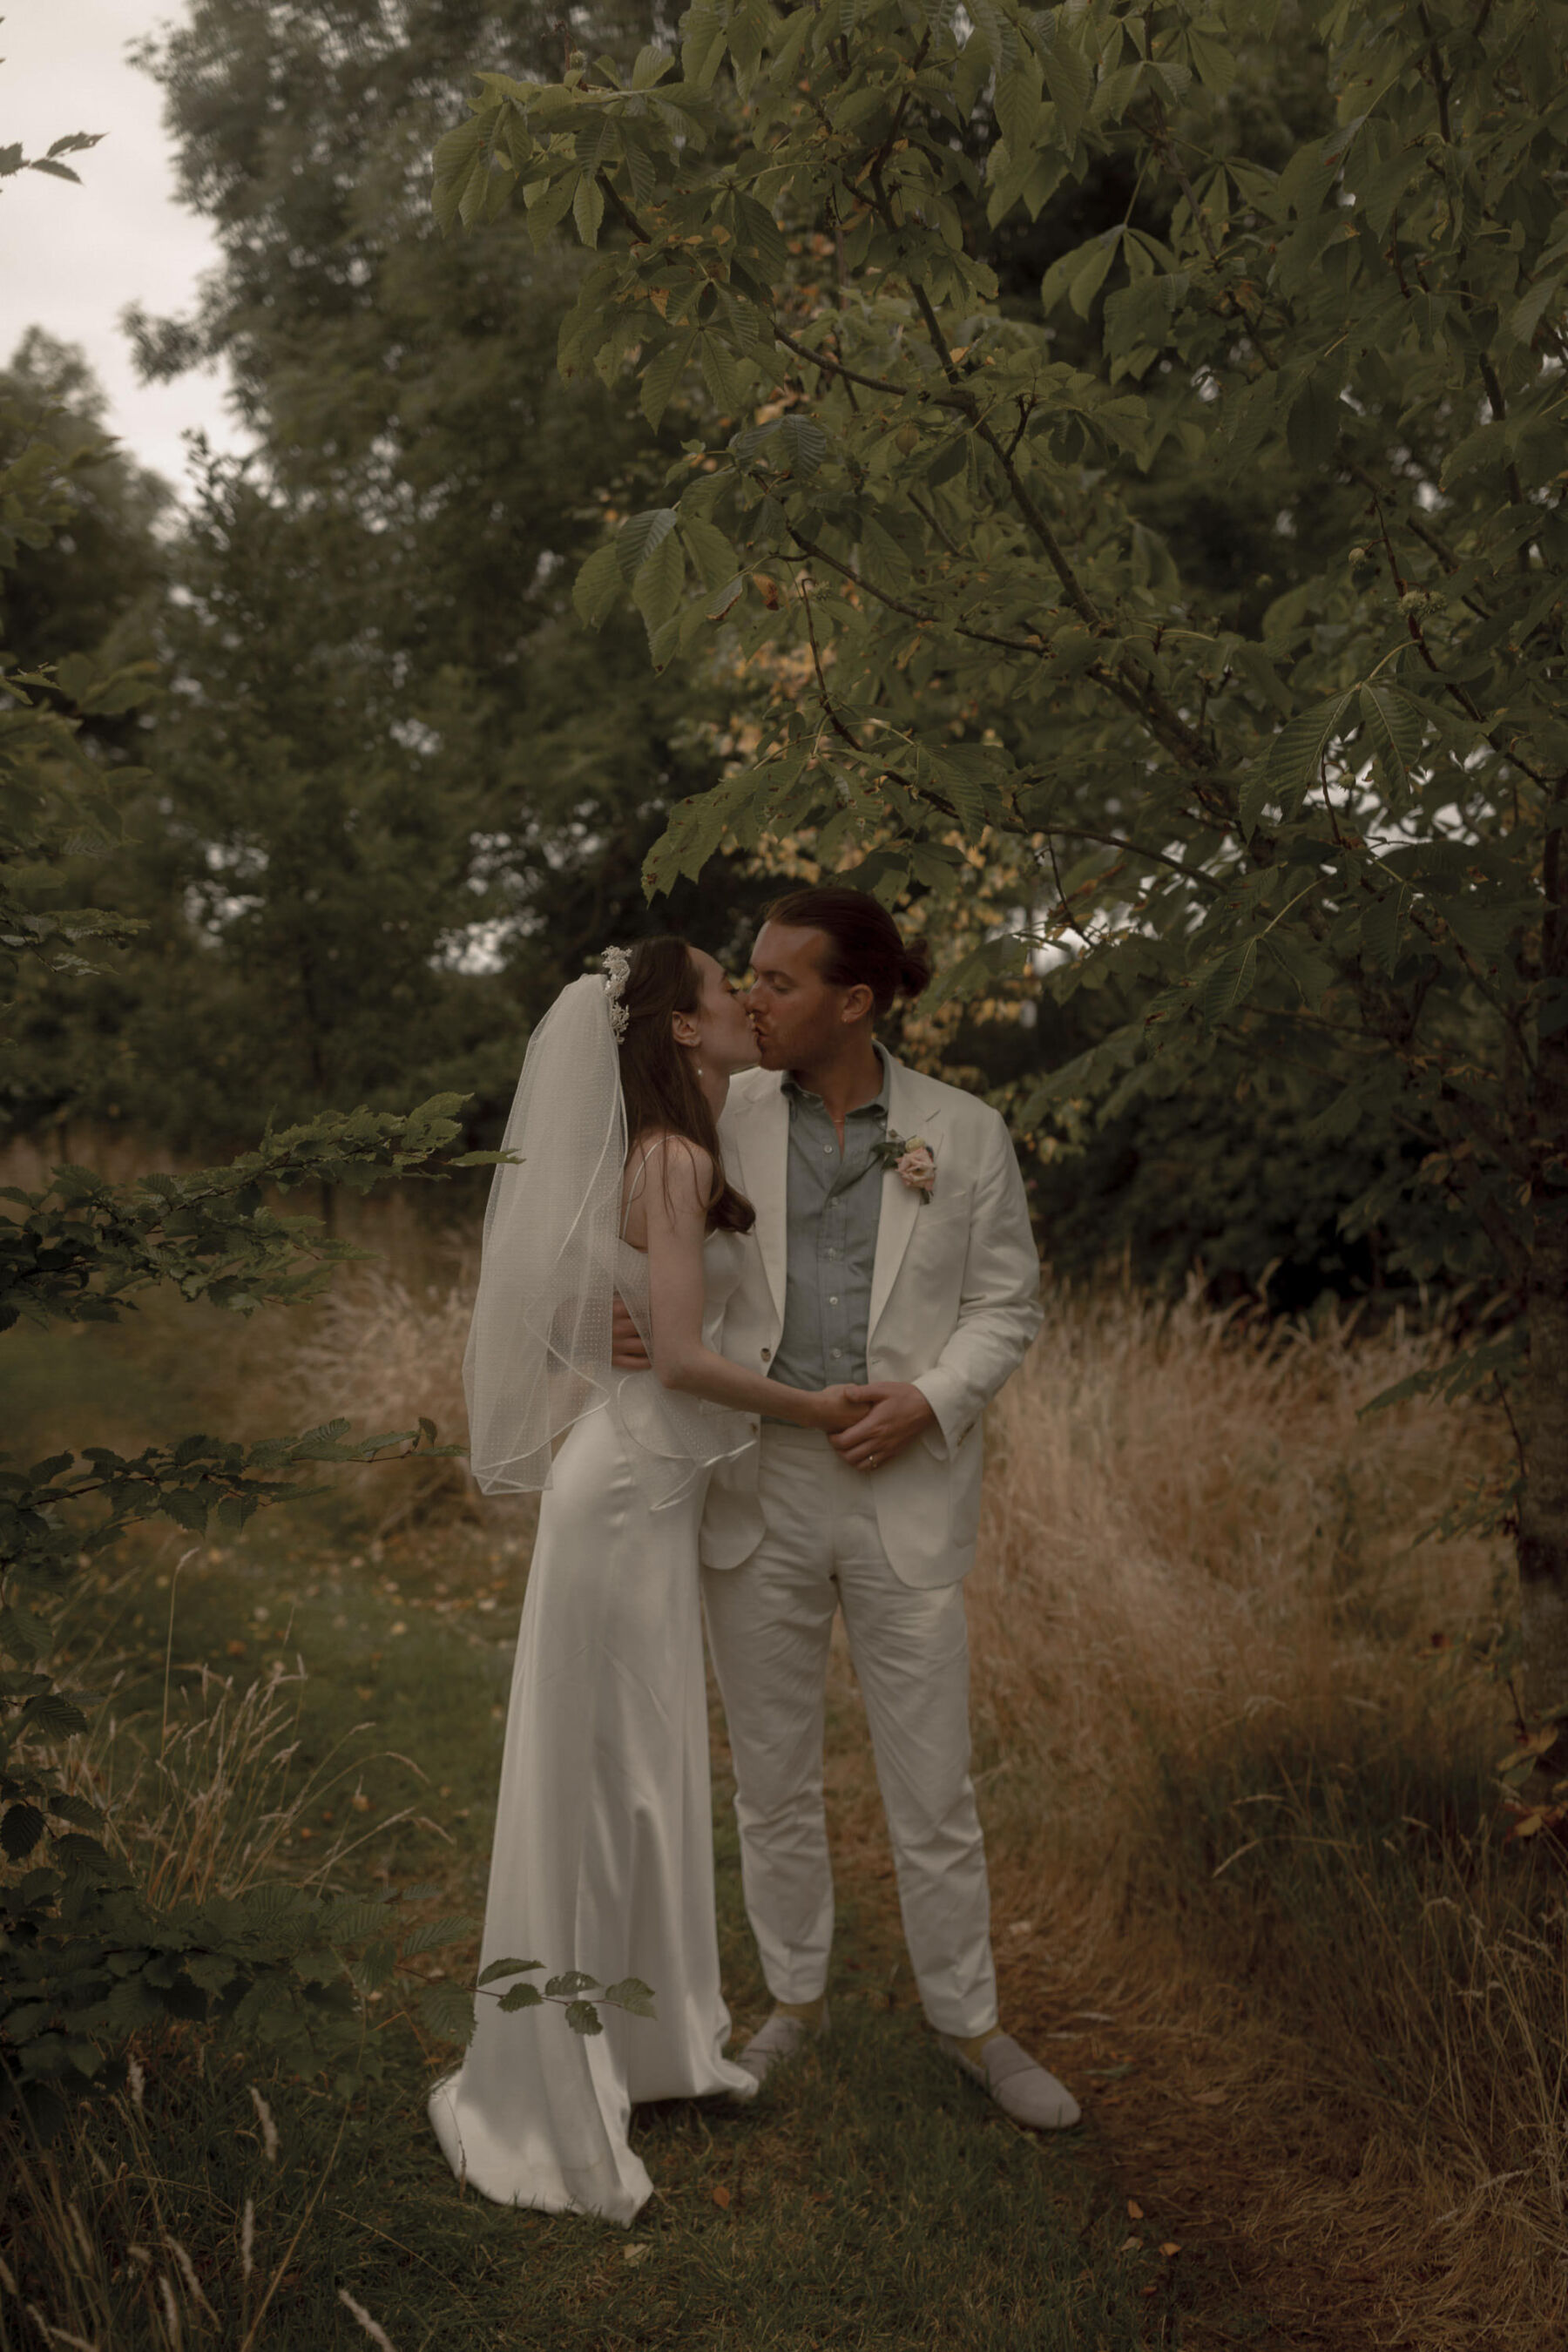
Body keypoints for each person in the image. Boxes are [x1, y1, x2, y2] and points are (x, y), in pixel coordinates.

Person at [614, 886, 1079, 2130]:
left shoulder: (963, 1132)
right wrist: (634, 1322)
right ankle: (795, 2004)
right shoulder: (724, 1105)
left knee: (933, 1786)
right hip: (755, 1486)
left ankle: (970, 2025)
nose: (750, 1000)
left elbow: (1007, 1307)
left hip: (903, 1491)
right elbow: (664, 1252)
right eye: (748, 979)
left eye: (777, 983)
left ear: (855, 1002)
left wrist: (928, 1400)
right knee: (770, 1779)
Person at [429, 937, 865, 2226]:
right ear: (680, 1030)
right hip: (622, 1495)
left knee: (639, 1768)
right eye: (729, 993)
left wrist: (615, 1325)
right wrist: (812, 1404)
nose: (745, 1004)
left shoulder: (682, 1151)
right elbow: (674, 1357)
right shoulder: (671, 1160)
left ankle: (645, 2043)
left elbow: (613, 1314)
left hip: (644, 1499)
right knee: (608, 1771)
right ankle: (554, 2082)